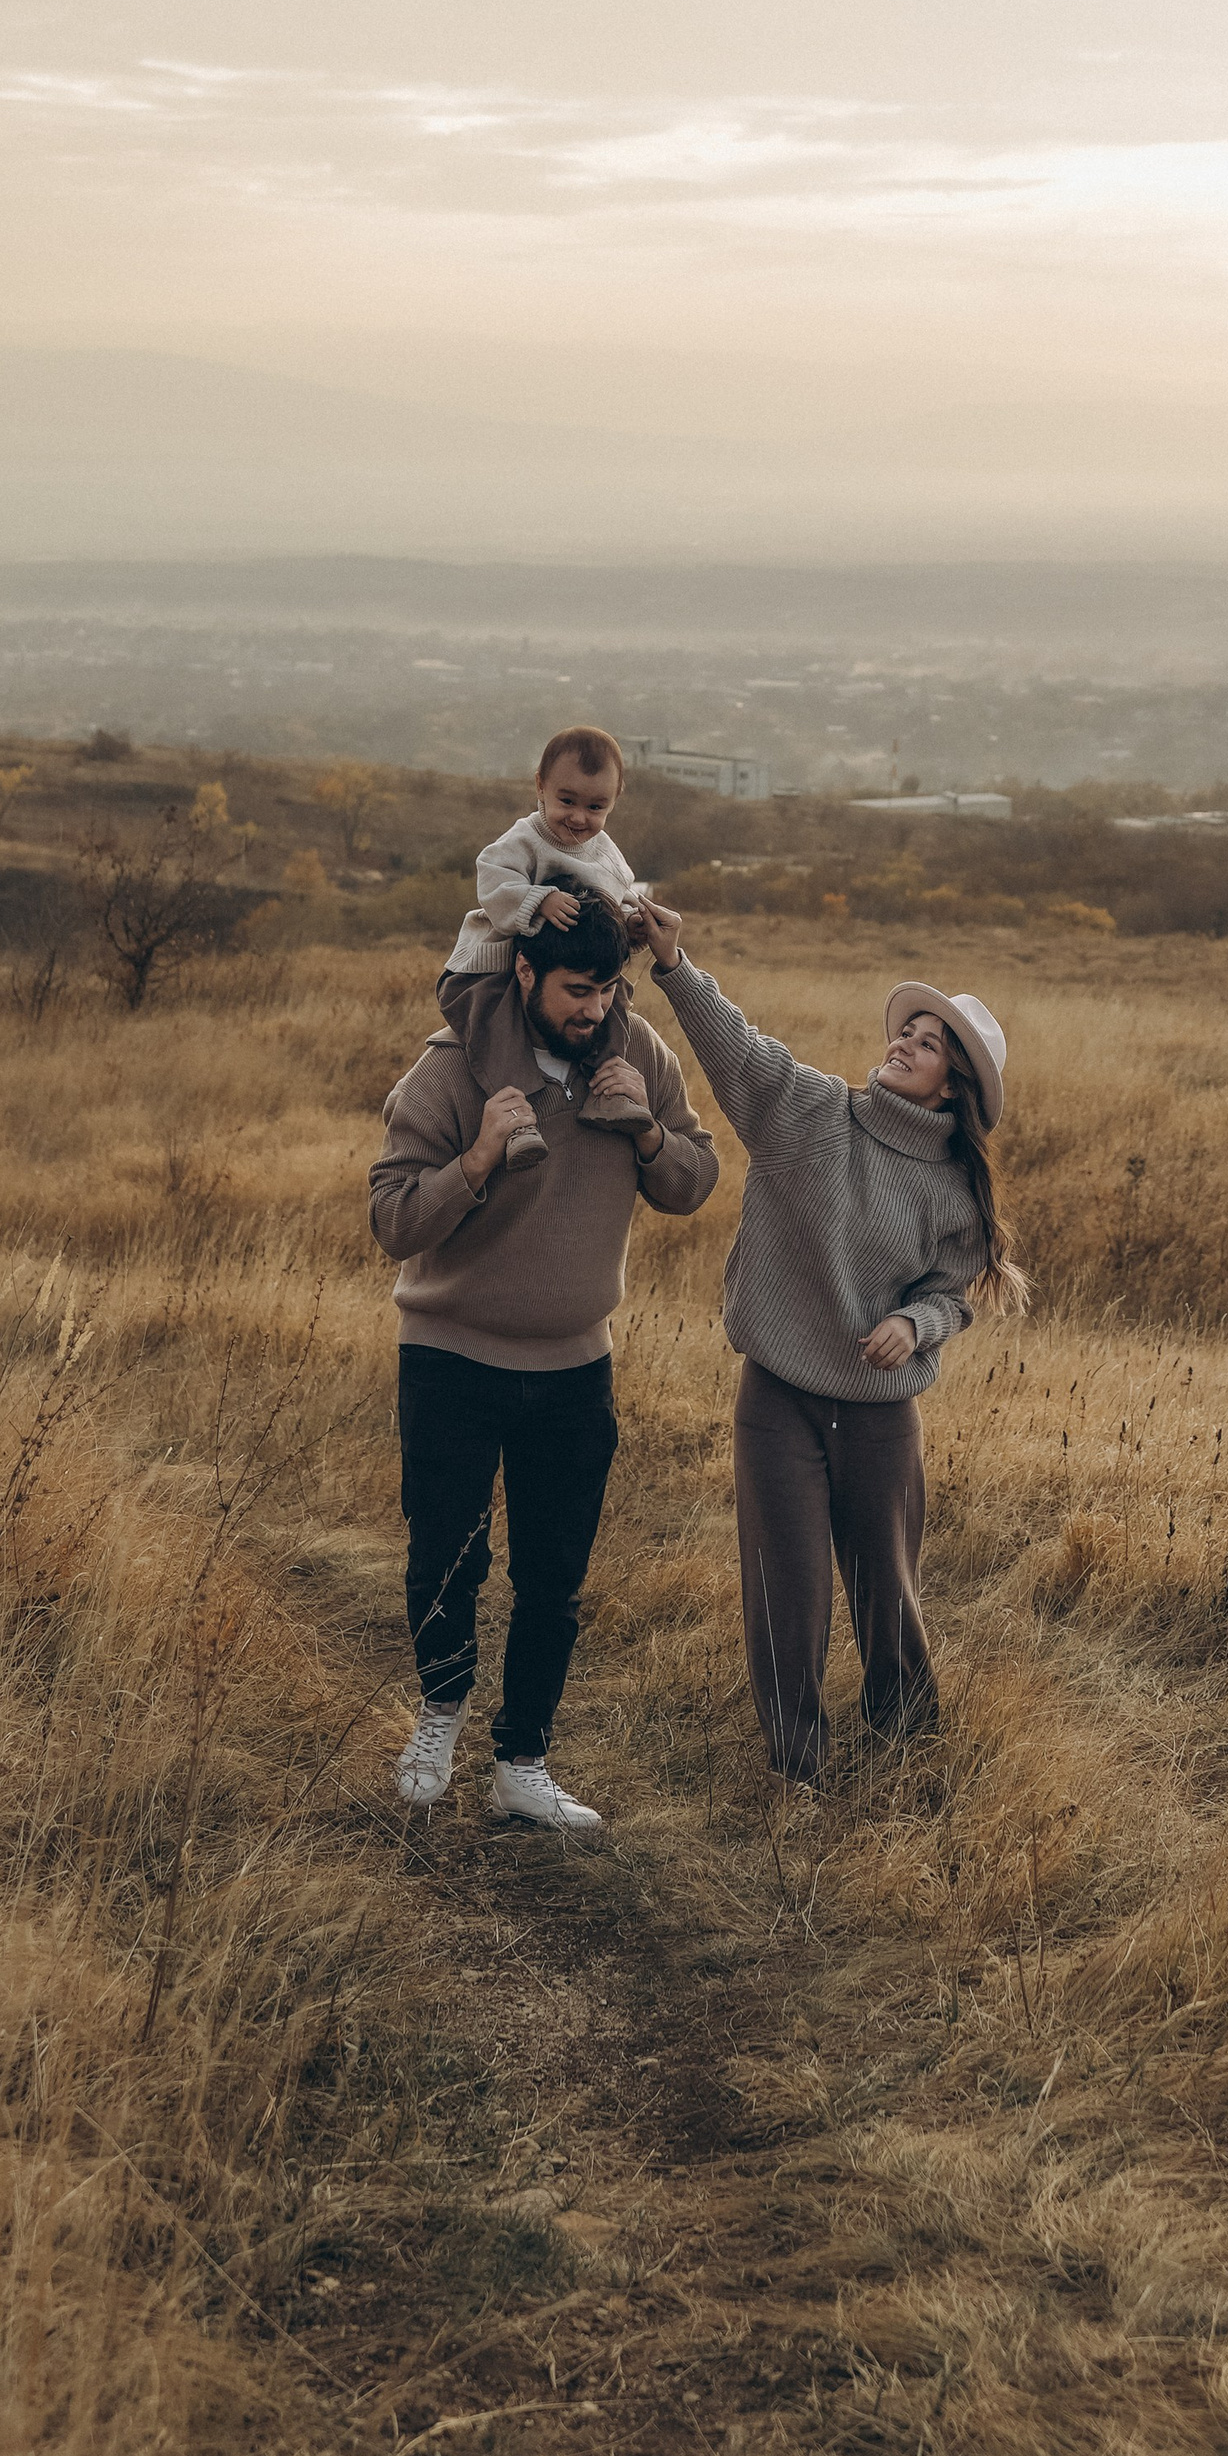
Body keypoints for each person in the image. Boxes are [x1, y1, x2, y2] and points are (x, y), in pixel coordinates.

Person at [636, 893, 1029, 1785]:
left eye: (928, 1044)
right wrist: (671, 965)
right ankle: (797, 1766)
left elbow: (954, 1294)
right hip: (777, 1397)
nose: (904, 1044)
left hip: (882, 1418)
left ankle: (907, 1749)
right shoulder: (810, 1114)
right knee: (789, 1593)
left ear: (953, 1085)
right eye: (908, 1031)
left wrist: (912, 1322)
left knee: (887, 1593)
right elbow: (739, 1048)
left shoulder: (954, 1191)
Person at [368, 893, 717, 1831]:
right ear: (522, 973)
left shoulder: (638, 1054)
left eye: (607, 989)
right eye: (574, 989)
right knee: (446, 1558)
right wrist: (478, 1159)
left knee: (554, 1576)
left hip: (574, 1370)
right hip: (450, 1358)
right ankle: (438, 1720)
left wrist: (646, 1130)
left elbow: (694, 1181)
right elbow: (392, 1219)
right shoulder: (451, 1070)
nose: (593, 1009)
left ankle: (522, 1763)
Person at [441, 725, 648, 1166]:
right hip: (490, 968)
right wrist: (538, 898)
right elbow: (492, 880)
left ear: (614, 802)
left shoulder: (606, 854)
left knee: (614, 1003)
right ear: (540, 786)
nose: (578, 818)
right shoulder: (526, 839)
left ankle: (609, 1090)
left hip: (565, 970)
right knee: (495, 1031)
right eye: (566, 801)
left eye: (596, 806)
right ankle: (517, 1118)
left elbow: (620, 897)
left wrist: (629, 926)